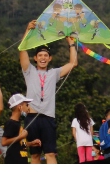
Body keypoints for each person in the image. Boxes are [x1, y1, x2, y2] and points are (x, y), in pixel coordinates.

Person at [19, 20, 78, 163]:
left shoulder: (54, 73)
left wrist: (70, 43)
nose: (43, 58)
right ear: (35, 58)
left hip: (48, 118)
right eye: (40, 55)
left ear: (50, 58)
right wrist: (28, 30)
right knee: (34, 155)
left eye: (46, 56)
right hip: (32, 117)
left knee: (50, 154)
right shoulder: (29, 70)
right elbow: (22, 50)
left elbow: (73, 63)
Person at [2, 93, 42, 164]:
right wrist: (21, 136)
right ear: (19, 107)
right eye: (26, 105)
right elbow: (4, 142)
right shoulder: (11, 123)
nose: (28, 107)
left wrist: (31, 143)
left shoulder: (18, 123)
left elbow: (19, 144)